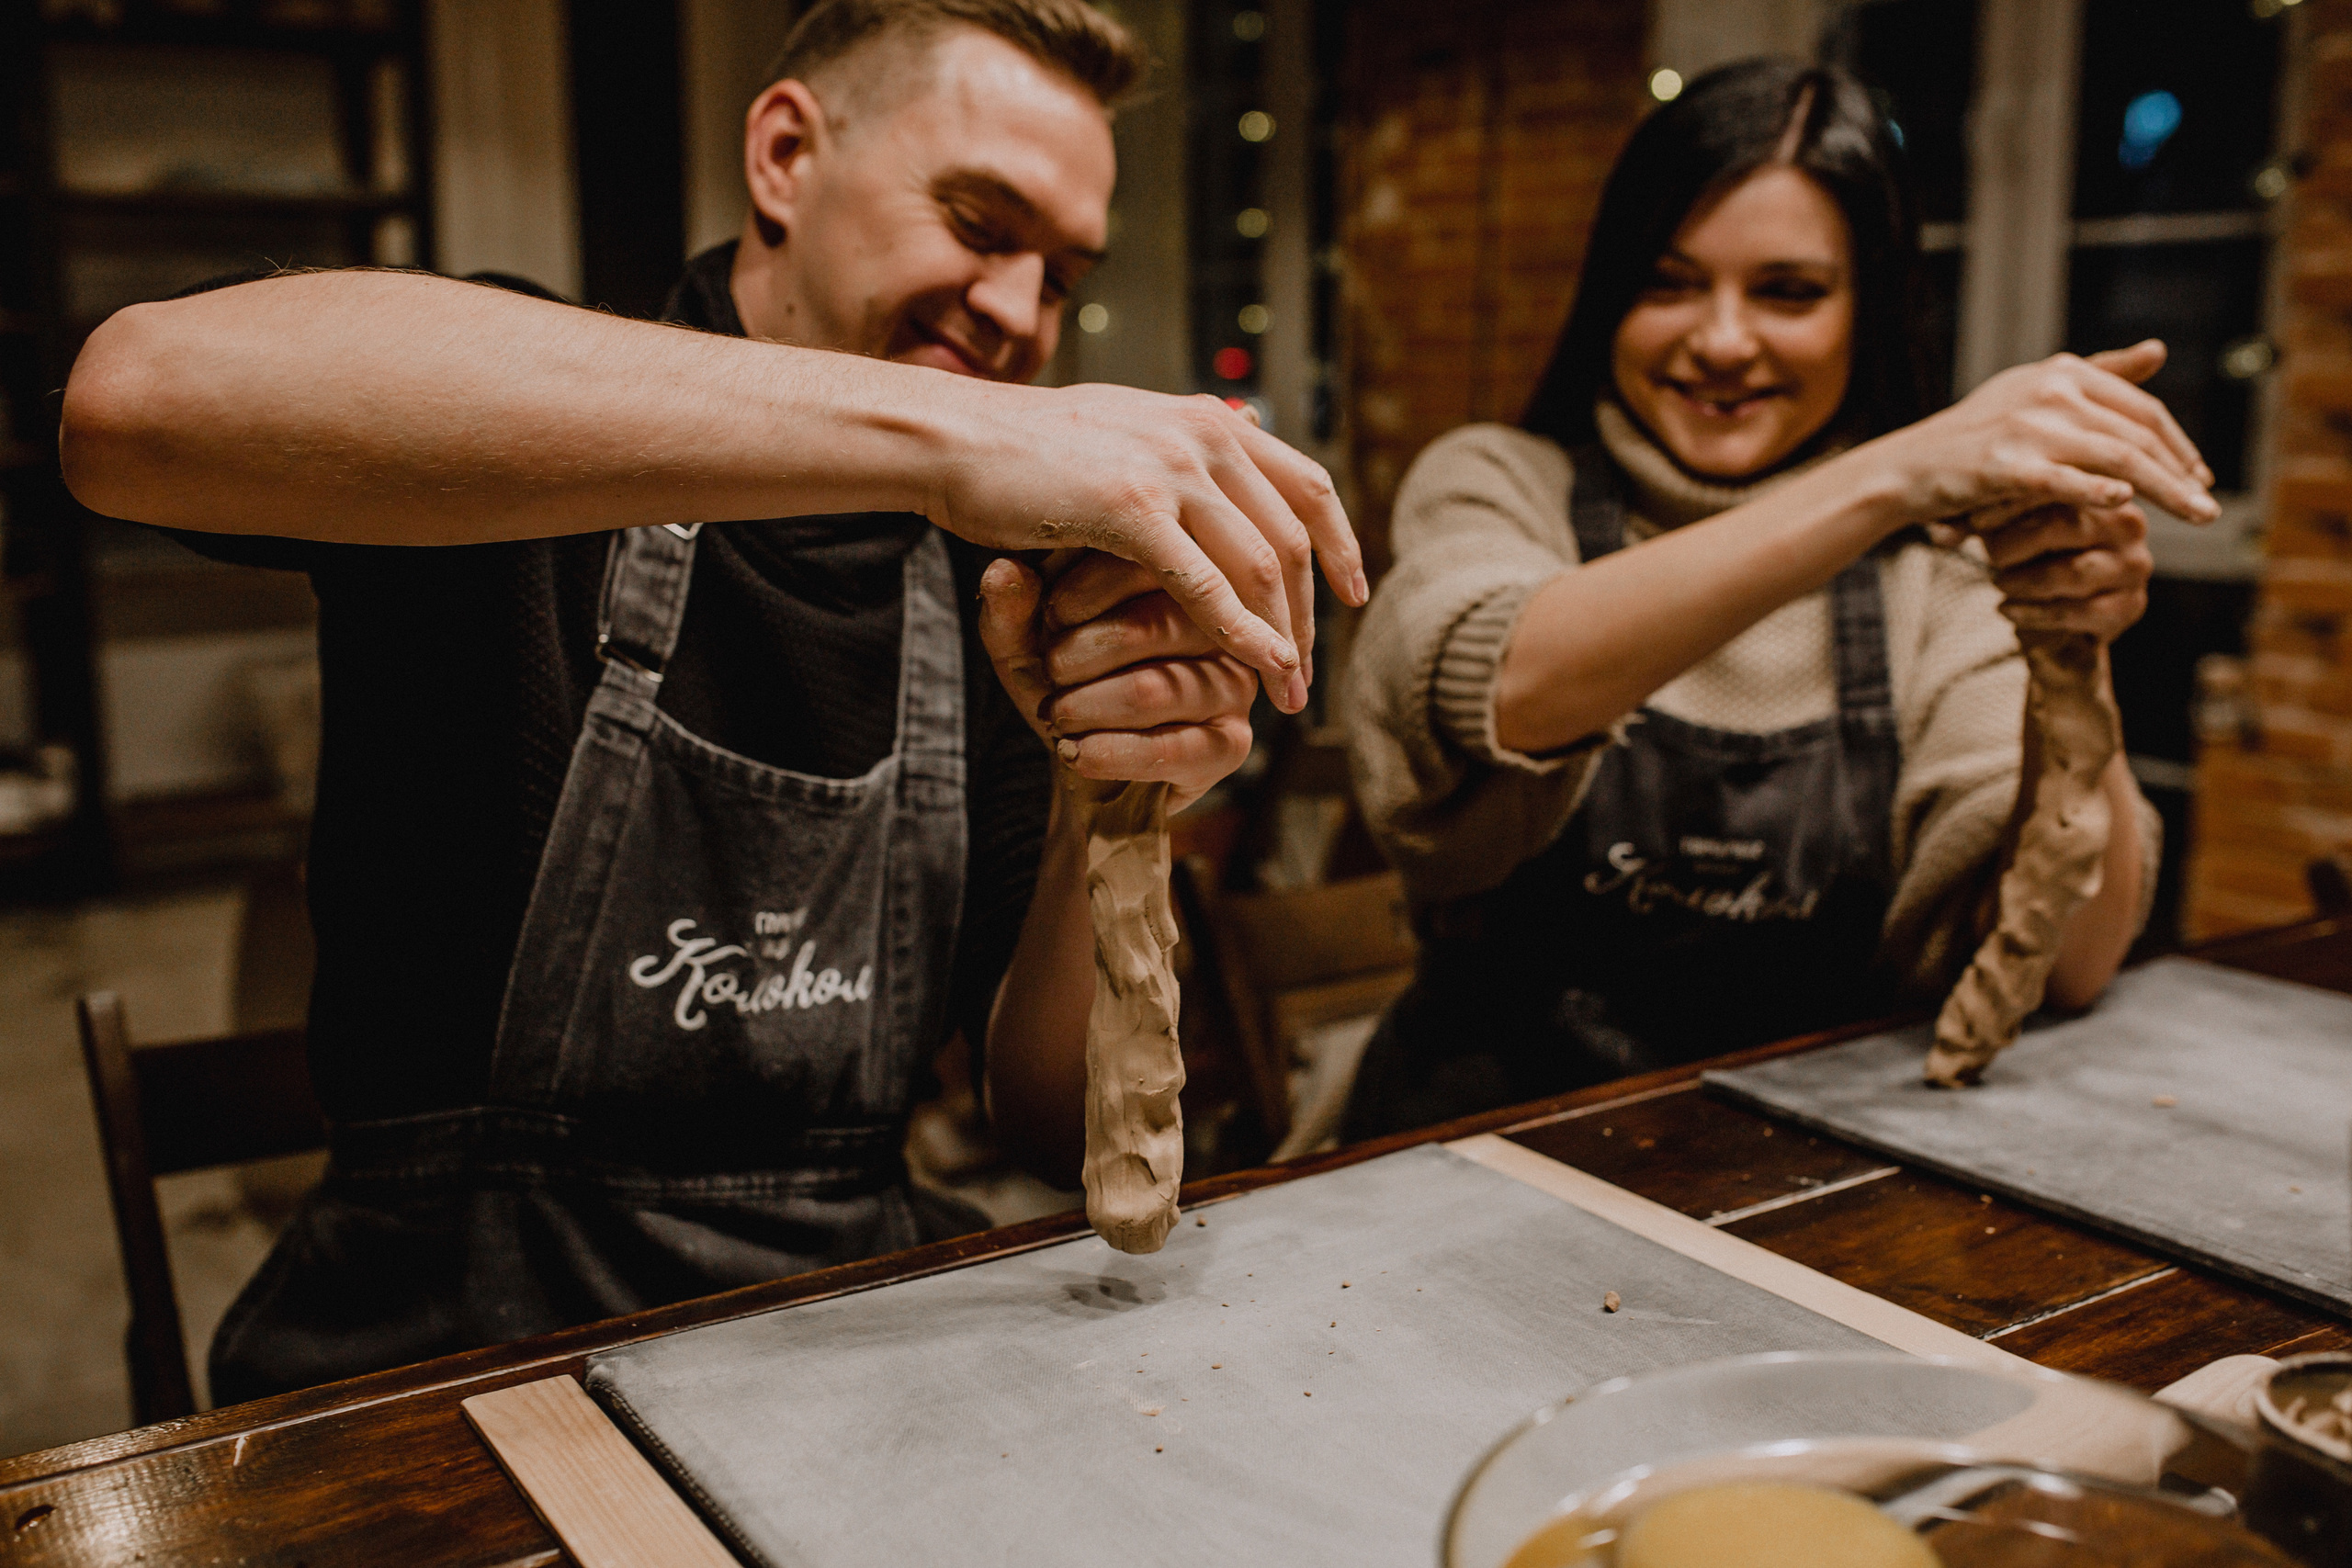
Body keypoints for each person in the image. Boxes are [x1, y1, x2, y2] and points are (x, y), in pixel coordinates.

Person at [61, 0, 1361, 1403]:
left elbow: (1053, 1124)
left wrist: (1108, 799)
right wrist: (961, 436)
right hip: (459, 1365)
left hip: (842, 1343)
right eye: (982, 226)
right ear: (785, 155)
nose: (1018, 310)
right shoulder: (531, 433)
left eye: (1059, 276)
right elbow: (131, 400)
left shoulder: (987, 592)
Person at [1340, 59, 2212, 1140]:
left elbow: (2067, 965)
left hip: (1807, 1178)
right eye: (1667, 281)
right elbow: (1509, 680)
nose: (1719, 339)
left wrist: (2071, 641)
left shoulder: (1937, 581)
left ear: (1869, 309)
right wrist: (1894, 473)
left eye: (1788, 292)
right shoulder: (1499, 482)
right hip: (1465, 1154)